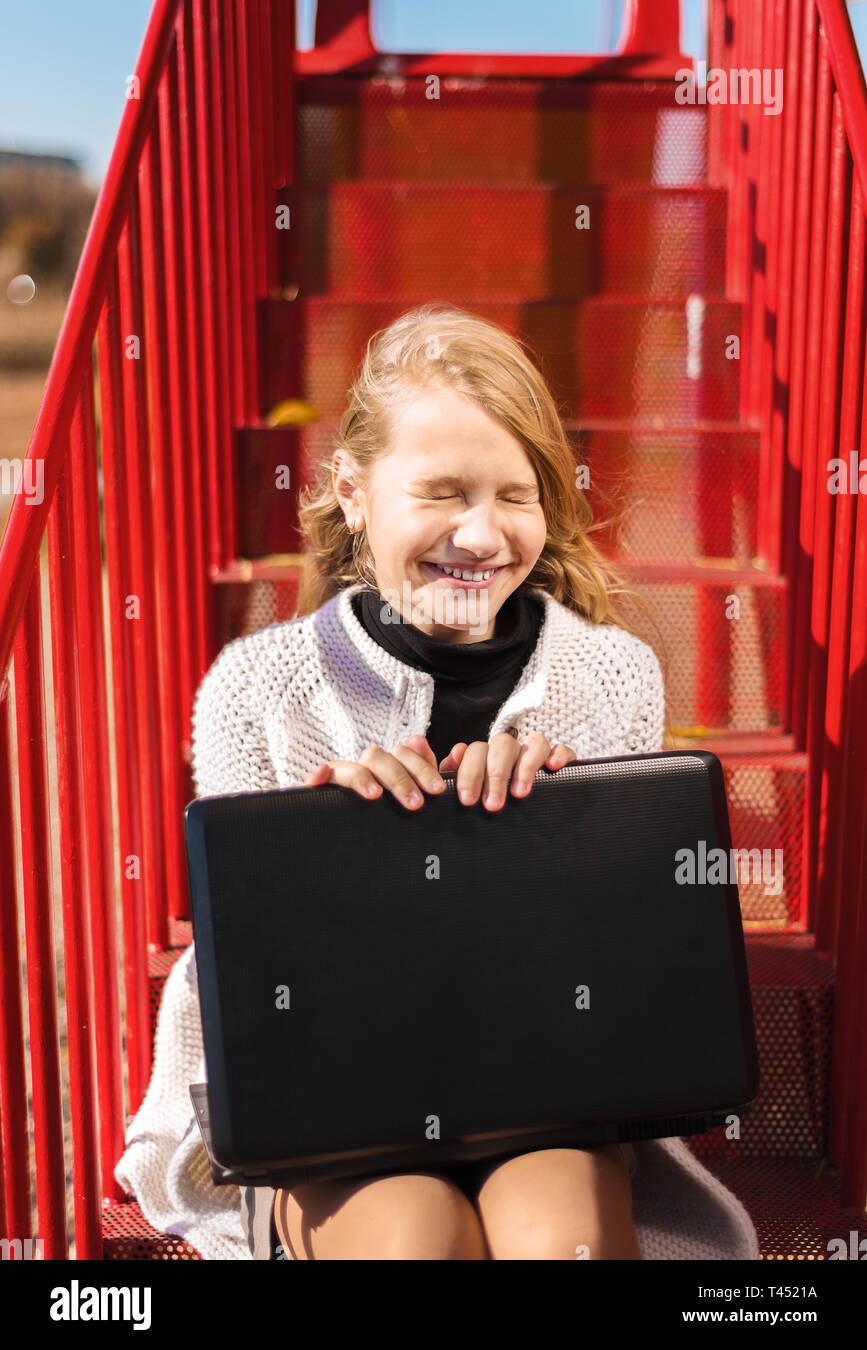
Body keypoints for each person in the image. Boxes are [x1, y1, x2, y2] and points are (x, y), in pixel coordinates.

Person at [191, 301, 671, 1259]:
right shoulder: (255, 686)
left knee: (561, 1240)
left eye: (514, 496)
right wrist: (327, 840)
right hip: (332, 1114)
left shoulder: (613, 675)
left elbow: (634, 971)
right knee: (416, 1239)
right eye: (442, 493)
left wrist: (561, 830)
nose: (482, 535)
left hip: (548, 1095)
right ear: (354, 494)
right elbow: (245, 985)